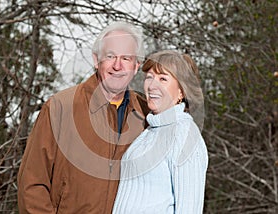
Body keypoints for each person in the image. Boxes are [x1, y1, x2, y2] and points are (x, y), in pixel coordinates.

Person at [17, 21, 150, 213]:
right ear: (96, 60)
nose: (118, 66)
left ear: (136, 66)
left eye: (126, 58)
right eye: (110, 56)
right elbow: (32, 184)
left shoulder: (147, 116)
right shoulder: (60, 108)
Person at [112, 50, 208, 213]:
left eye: (163, 78)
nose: (152, 85)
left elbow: (189, 209)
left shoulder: (184, 135)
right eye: (149, 77)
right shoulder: (150, 132)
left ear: (181, 91)